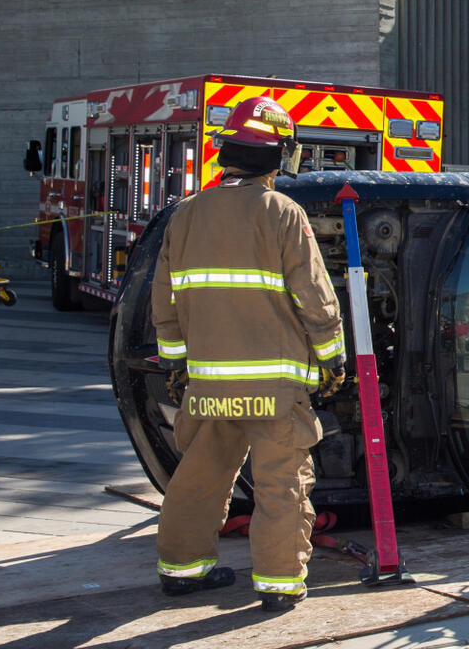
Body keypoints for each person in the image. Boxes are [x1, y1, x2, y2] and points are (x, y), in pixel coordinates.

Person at [151, 96, 345, 613]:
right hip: (275, 393)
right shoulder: (282, 213)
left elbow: (164, 303)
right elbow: (314, 296)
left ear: (226, 153)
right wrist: (333, 359)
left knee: (199, 476)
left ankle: (181, 571)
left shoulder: (185, 215)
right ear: (281, 156)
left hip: (208, 387)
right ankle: (280, 584)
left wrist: (176, 364)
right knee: (281, 484)